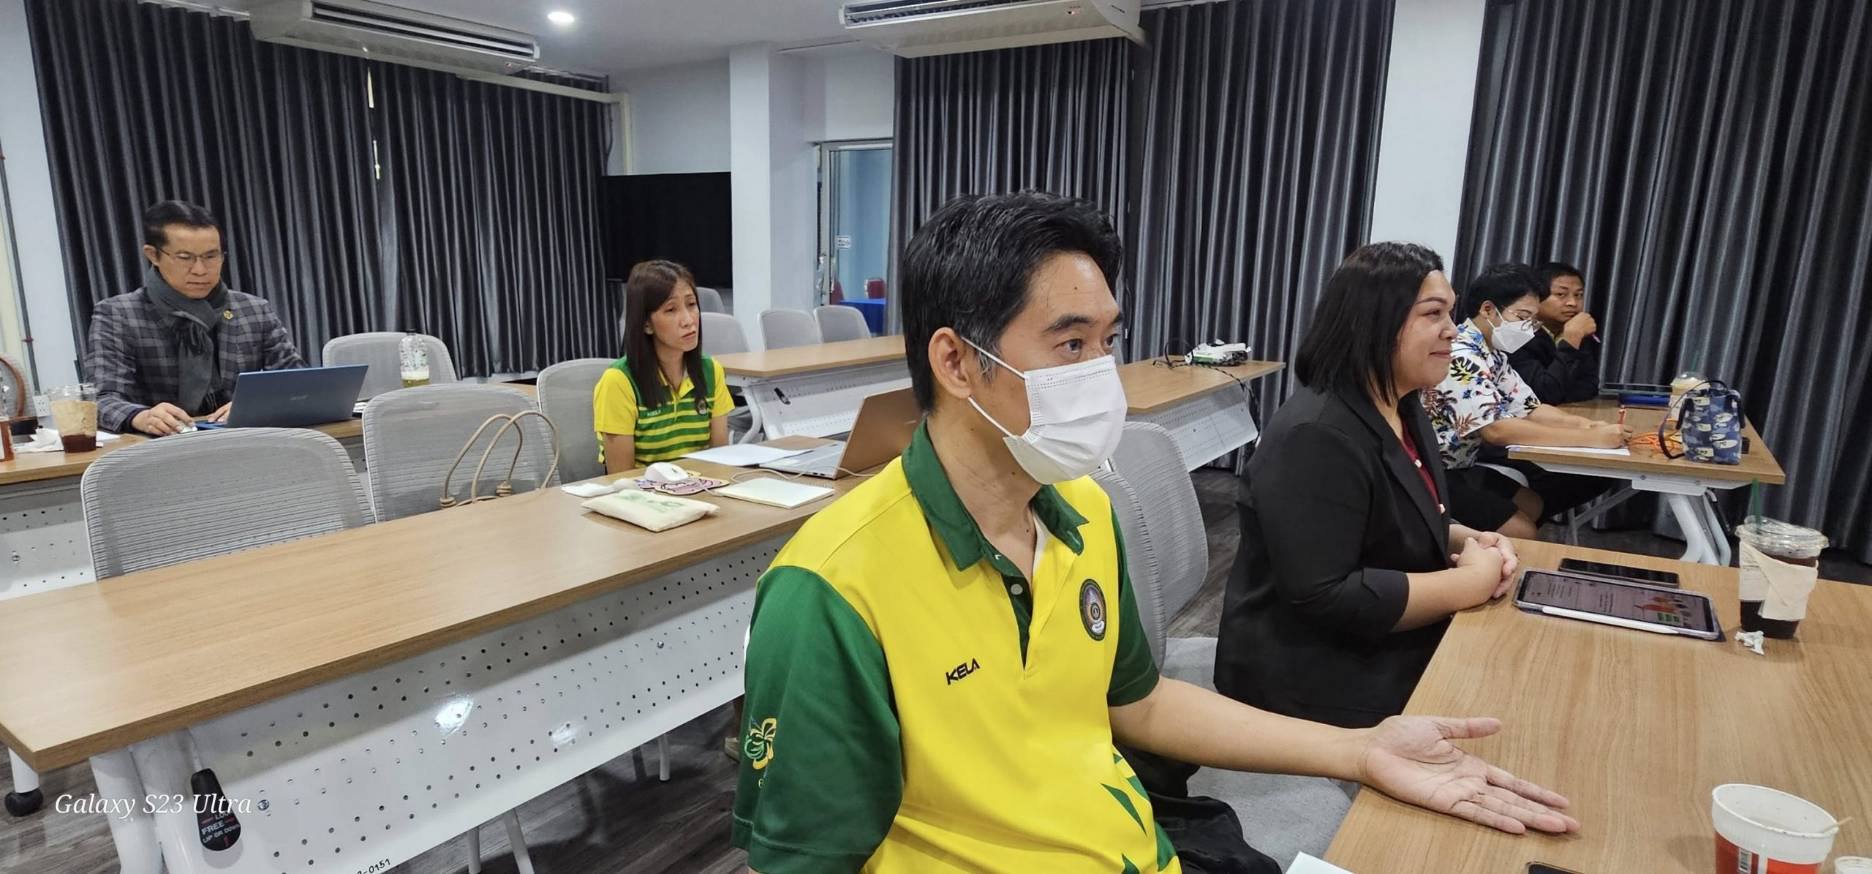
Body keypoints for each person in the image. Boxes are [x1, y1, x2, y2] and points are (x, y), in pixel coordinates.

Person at [732, 193, 1577, 874]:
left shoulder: (1080, 510)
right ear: (956, 363)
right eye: (1070, 344)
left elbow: (1133, 700)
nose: (1102, 375)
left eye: (1109, 341)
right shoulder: (833, 589)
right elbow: (806, 859)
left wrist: (1361, 752)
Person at [1214, 242, 1522, 730]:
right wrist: (1471, 582)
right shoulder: (1317, 434)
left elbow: (1394, 520)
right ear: (1375, 322)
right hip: (1308, 672)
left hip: (1372, 641)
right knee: (1504, 708)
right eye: (1433, 314)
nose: (1452, 330)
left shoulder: (1403, 405)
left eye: (1451, 312)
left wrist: (1471, 540)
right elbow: (1326, 596)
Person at [1427, 263, 1623, 538]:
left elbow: (1531, 407)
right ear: (1488, 310)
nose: (1528, 328)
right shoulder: (1461, 355)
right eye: (1522, 317)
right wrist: (1592, 439)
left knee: (1533, 504)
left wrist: (1585, 425)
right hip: (1435, 472)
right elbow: (1496, 430)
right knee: (1522, 529)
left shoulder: (1493, 354)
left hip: (1463, 466)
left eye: (1532, 320)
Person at [87, 200, 305, 436]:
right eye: (185, 257)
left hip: (244, 439)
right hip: (162, 446)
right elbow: (102, 399)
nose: (200, 270)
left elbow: (298, 381)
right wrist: (141, 417)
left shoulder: (253, 309)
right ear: (153, 255)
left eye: (211, 256)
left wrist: (259, 404)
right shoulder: (119, 314)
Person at [593, 259, 734, 473]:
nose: (688, 320)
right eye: (671, 310)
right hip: (643, 491)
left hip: (703, 487)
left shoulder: (710, 371)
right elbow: (621, 477)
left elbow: (719, 461)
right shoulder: (619, 381)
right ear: (646, 324)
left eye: (691, 305)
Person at [1508, 261, 1600, 403]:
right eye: (1561, 294)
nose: (1573, 303)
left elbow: (1590, 386)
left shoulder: (1578, 331)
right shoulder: (1519, 335)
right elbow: (1542, 394)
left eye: (1579, 295)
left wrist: (1559, 394)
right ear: (1537, 297)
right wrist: (1570, 341)